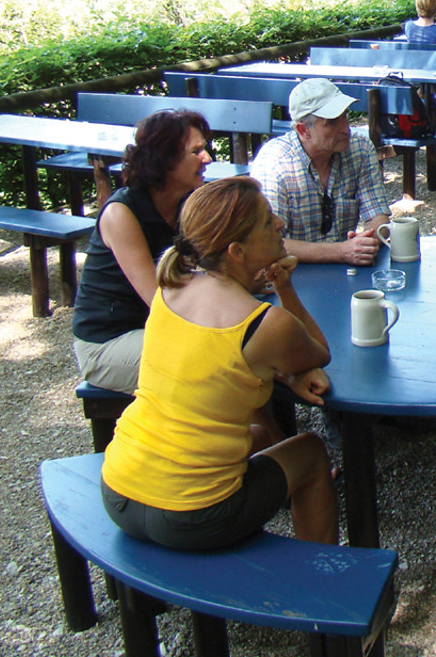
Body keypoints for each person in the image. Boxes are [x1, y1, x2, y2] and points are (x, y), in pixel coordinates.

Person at [100, 177, 341, 548]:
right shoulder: (265, 323)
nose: (279, 224)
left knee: (258, 437)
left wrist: (281, 373)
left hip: (119, 489)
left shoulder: (171, 288)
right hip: (193, 516)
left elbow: (217, 365)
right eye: (266, 221)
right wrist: (284, 287)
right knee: (309, 450)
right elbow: (318, 352)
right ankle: (321, 580)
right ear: (237, 252)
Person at [71, 109, 214, 394]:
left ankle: (272, 436)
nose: (207, 158)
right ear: (164, 160)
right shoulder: (121, 214)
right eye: (196, 151)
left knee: (247, 347)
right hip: (110, 342)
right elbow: (159, 301)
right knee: (214, 361)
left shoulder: (189, 200)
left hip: (158, 328)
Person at [250, 79, 391, 265]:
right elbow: (265, 242)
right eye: (332, 122)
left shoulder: (360, 148)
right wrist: (340, 251)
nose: (345, 129)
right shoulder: (275, 162)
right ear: (303, 130)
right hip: (291, 274)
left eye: (345, 116)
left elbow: (379, 216)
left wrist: (366, 240)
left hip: (344, 271)